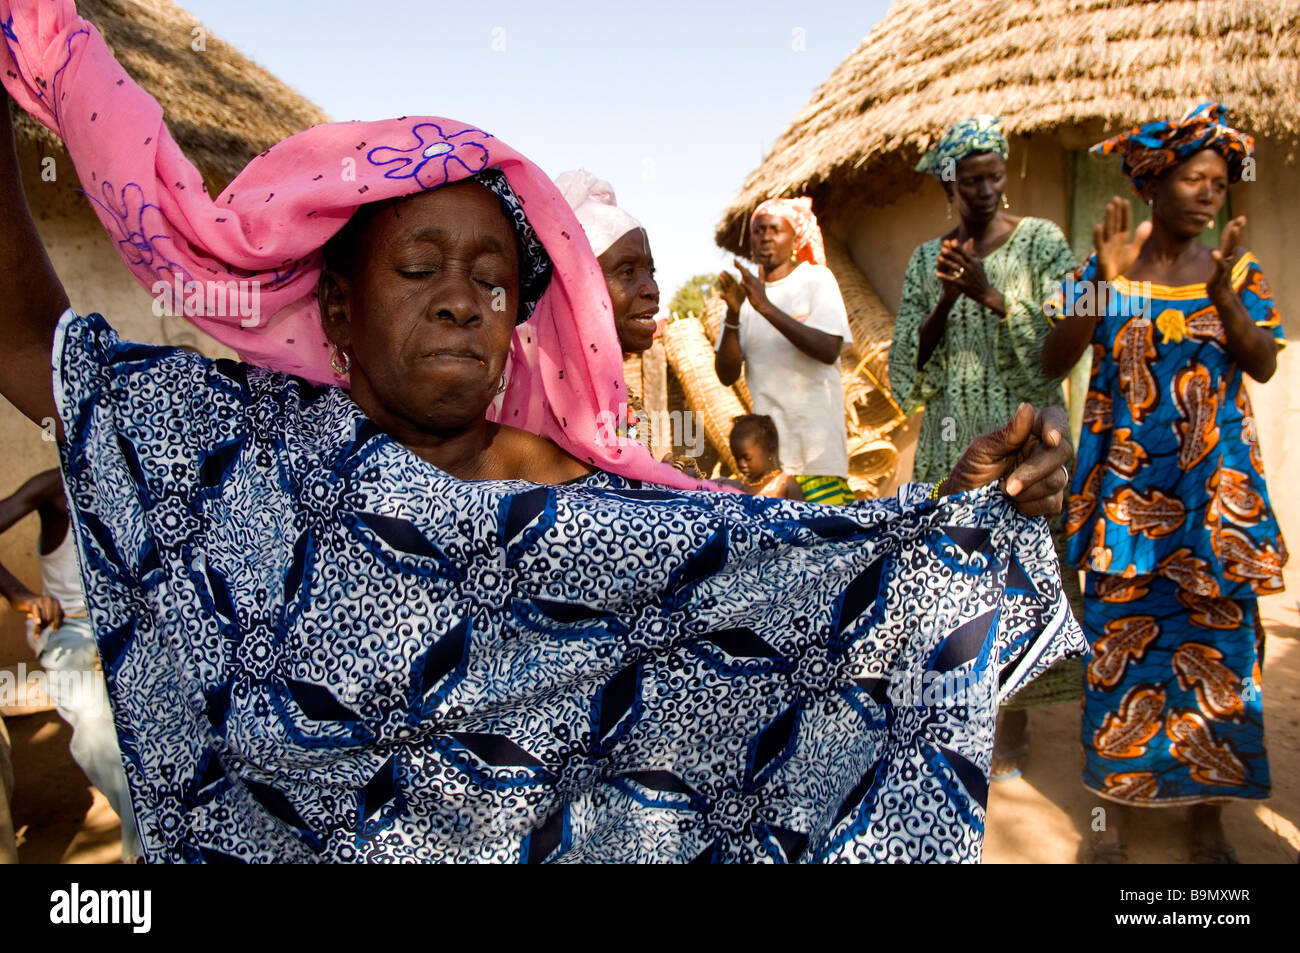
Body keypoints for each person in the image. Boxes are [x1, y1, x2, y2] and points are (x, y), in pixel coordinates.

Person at [0, 0, 1078, 863]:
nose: (464, 300)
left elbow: (813, 610)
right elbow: (23, 336)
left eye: (492, 281)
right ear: (334, 308)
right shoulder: (241, 453)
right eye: (418, 269)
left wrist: (948, 526)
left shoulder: (587, 510)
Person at [1042, 103, 1286, 864]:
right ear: (1153, 184)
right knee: (1121, 657)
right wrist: (1103, 286)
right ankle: (1110, 818)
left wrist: (1222, 299)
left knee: (1218, 657)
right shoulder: (1106, 268)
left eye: (1219, 182)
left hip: (1215, 506)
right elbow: (1054, 356)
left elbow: (1263, 360)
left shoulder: (1235, 272)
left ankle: (1207, 814)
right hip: (1123, 502)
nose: (1210, 193)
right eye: (1194, 178)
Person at [889, 115, 1084, 780]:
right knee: (954, 577)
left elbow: (1054, 355)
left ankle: (1016, 718)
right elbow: (905, 375)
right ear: (951, 183)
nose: (984, 189)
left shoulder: (1040, 244)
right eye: (970, 179)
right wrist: (946, 300)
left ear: (1006, 173)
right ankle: (961, 713)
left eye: (993, 175)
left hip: (1016, 436)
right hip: (950, 447)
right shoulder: (926, 259)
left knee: (1014, 574)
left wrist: (989, 293)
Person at [0, 469, 141, 862]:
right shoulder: (56, 486)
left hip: (139, 626)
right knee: (98, 727)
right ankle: (148, 846)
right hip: (72, 626)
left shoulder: (143, 473)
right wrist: (21, 597)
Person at [713, 197, 856, 505]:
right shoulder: (745, 294)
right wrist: (736, 314)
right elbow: (726, 375)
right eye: (758, 230)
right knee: (783, 551)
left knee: (827, 546)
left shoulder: (816, 280)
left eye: (775, 229)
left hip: (817, 454)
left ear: (795, 237)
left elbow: (829, 349)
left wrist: (764, 306)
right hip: (771, 464)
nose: (765, 236)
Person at [725, 415, 804, 500]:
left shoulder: (785, 483)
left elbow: (800, 512)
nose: (741, 464)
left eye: (747, 458)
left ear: (769, 449)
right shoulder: (742, 488)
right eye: (737, 458)